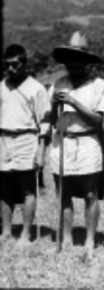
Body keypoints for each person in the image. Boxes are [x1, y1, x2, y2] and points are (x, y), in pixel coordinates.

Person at [48, 32, 104, 257]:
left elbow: (99, 120)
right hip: (62, 142)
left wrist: (74, 102)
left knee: (90, 194)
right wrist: (54, 104)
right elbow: (51, 118)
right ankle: (67, 238)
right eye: (70, 59)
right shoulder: (59, 83)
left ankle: (89, 240)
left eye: (79, 59)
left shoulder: (98, 85)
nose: (74, 64)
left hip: (88, 143)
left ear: (87, 62)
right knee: (64, 194)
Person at [0, 44, 50, 246]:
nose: (11, 69)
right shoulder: (1, 86)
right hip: (3, 140)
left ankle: (26, 233)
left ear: (24, 64)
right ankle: (6, 231)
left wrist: (40, 151)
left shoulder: (36, 88)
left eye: (15, 65)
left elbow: (45, 122)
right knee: (4, 189)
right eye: (7, 65)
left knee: (28, 189)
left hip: (27, 139)